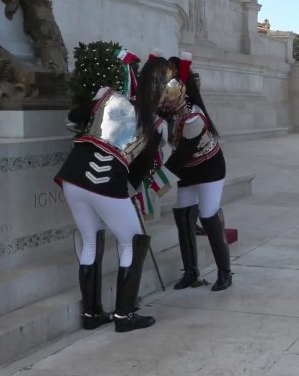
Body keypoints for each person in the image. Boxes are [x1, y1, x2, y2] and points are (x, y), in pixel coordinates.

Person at [54, 55, 176, 333]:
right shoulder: (157, 126)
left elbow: (73, 119)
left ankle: (91, 313)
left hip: (73, 175)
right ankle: (125, 315)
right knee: (132, 241)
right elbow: (140, 173)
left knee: (89, 241)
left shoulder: (108, 96)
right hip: (107, 183)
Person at [161, 52, 232, 292]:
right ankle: (190, 272)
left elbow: (181, 154)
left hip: (209, 166)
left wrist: (157, 182)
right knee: (183, 217)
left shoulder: (193, 117)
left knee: (209, 215)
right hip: (188, 170)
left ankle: (224, 272)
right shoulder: (169, 114)